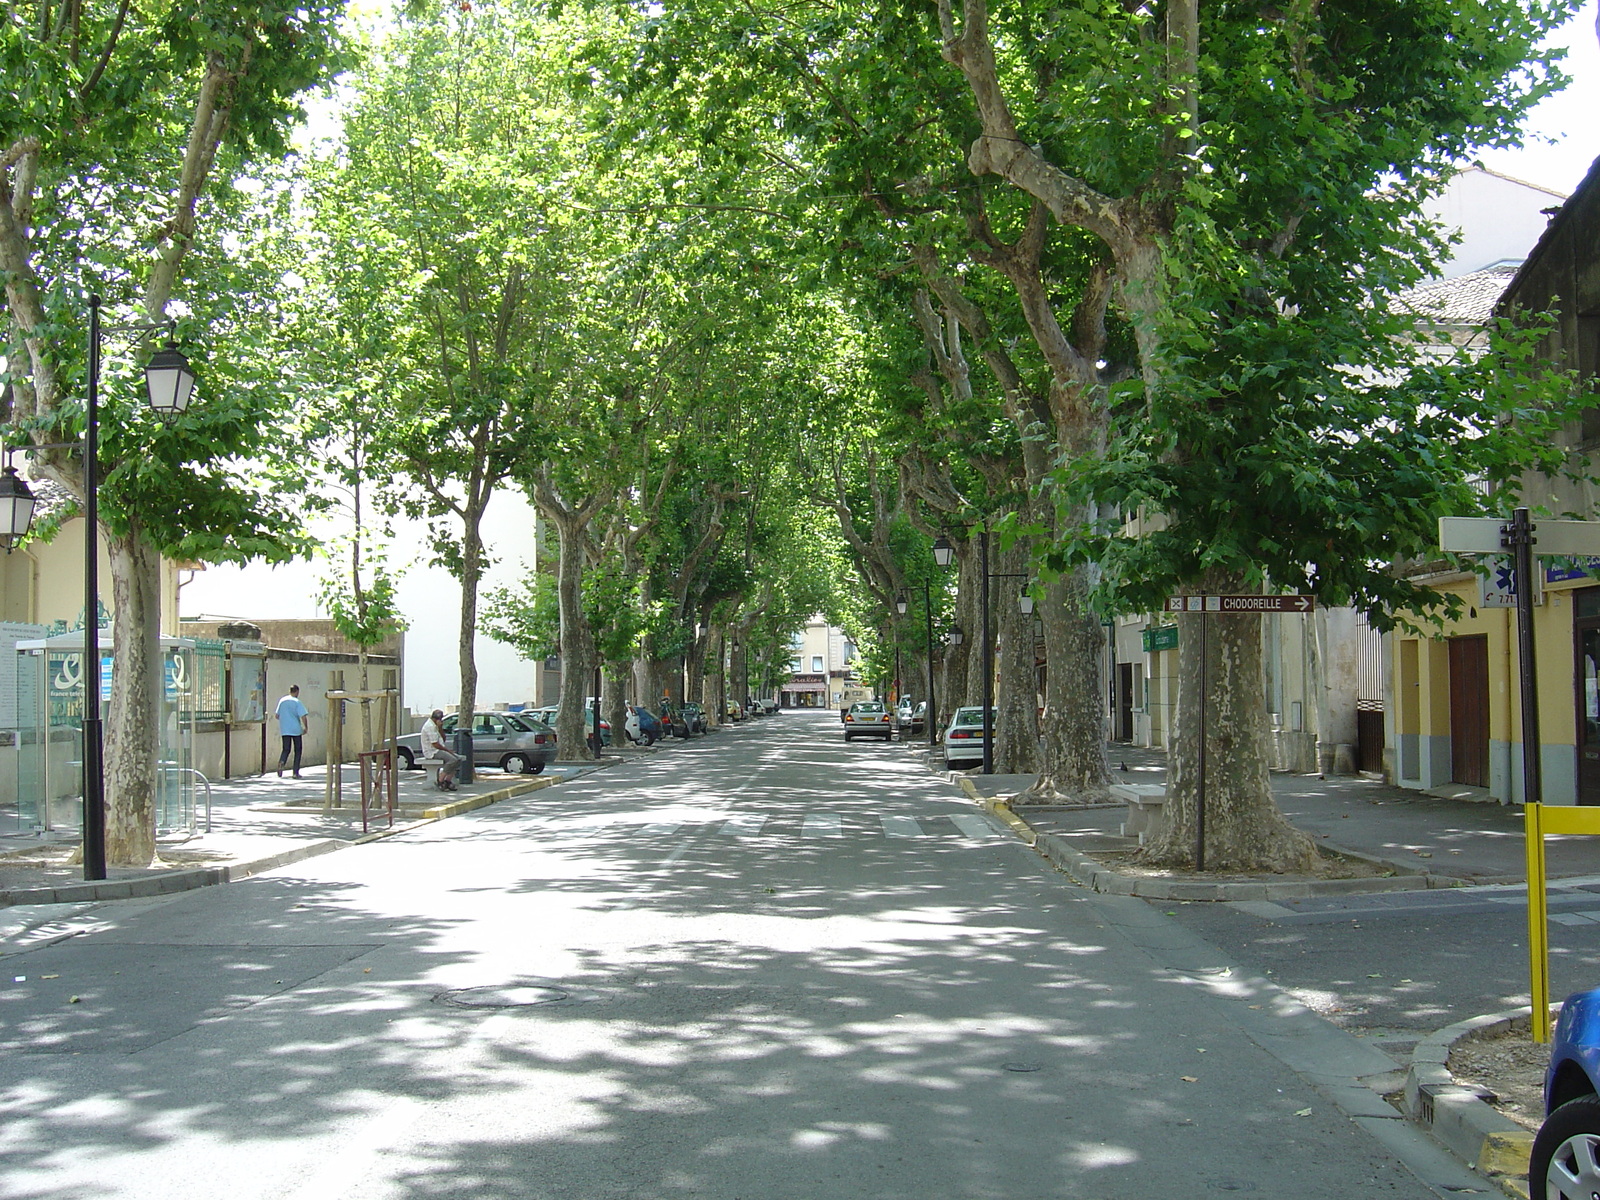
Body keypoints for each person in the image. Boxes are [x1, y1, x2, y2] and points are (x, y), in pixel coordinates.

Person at [275, 684, 310, 778]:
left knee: (286, 749)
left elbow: (277, 715)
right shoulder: (297, 702)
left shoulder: (282, 700)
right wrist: (306, 727)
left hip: (285, 729)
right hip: (295, 729)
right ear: (297, 692)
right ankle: (295, 772)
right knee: (298, 750)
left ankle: (282, 761)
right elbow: (303, 716)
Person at [421, 708, 461, 791]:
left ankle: (448, 781)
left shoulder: (436, 726)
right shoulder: (430, 727)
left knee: (458, 759)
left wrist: (440, 728)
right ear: (435, 719)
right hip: (432, 751)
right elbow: (435, 744)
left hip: (439, 750)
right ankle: (440, 780)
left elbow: (443, 738)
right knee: (452, 759)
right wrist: (447, 751)